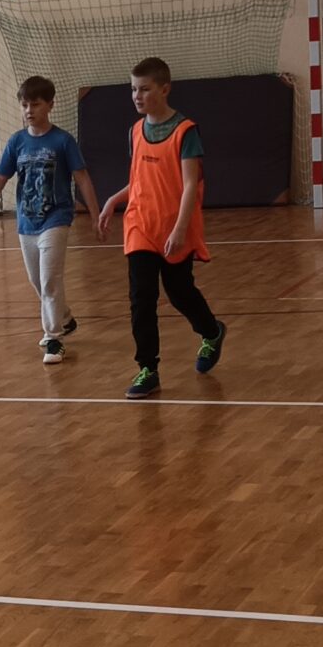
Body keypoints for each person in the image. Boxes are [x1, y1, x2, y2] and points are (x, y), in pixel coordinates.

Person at [96, 57, 226, 399]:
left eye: (144, 89)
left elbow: (189, 184)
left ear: (164, 89)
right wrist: (113, 200)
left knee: (180, 292)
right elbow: (140, 180)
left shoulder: (186, 131)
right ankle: (147, 369)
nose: (137, 96)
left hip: (173, 226)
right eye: (133, 89)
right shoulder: (135, 131)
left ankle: (211, 332)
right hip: (140, 224)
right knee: (141, 298)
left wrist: (180, 228)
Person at [0, 76, 100, 364]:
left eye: (35, 104)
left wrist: (97, 215)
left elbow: (82, 179)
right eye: (24, 105)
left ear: (50, 105)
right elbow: (2, 176)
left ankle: (54, 338)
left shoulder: (63, 141)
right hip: (26, 221)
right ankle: (65, 317)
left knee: (49, 280)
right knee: (37, 280)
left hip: (56, 218)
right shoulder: (17, 142)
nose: (28, 110)